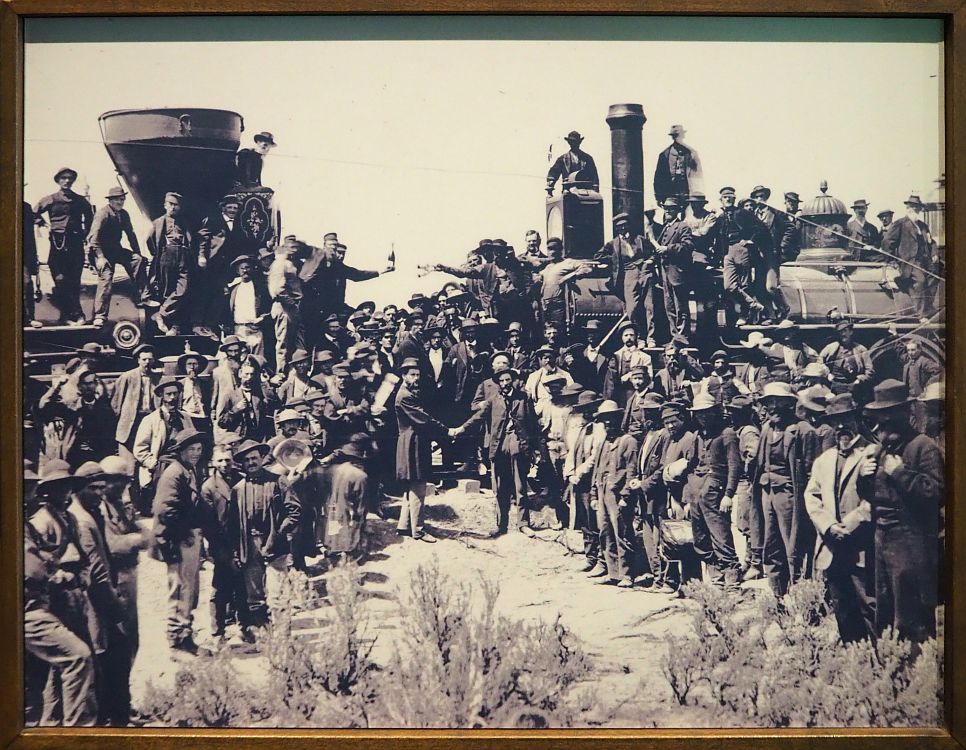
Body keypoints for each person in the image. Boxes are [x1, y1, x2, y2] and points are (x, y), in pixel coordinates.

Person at [860, 379, 943, 643]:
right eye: (880, 414)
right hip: (883, 538)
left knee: (912, 614)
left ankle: (918, 674)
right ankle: (891, 672)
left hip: (913, 541)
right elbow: (873, 496)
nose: (883, 420)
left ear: (904, 412)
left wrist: (900, 473)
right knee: (886, 609)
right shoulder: (882, 449)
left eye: (890, 412)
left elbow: (937, 493)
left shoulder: (923, 446)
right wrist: (863, 479)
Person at [803, 393, 876, 643]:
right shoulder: (824, 460)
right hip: (832, 546)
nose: (841, 426)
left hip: (862, 547)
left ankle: (879, 664)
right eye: (836, 421)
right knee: (842, 606)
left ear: (857, 419)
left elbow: (876, 497)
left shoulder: (871, 453)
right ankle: (852, 659)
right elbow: (811, 497)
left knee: (869, 606)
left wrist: (851, 524)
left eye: (846, 419)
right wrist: (829, 525)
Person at [24, 511, 97, 727]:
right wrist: (54, 573)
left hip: (45, 604)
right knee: (78, 657)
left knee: (48, 673)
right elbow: (33, 571)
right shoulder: (36, 522)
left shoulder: (31, 524)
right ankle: (76, 733)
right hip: (31, 609)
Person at [68, 462, 126, 724]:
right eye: (93, 488)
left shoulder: (93, 513)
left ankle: (113, 714)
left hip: (102, 600)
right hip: (95, 603)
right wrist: (115, 608)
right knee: (101, 659)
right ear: (78, 489)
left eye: (102, 488)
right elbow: (96, 573)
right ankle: (103, 719)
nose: (100, 493)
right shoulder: (81, 520)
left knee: (113, 657)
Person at [453, 366, 541, 537]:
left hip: (517, 442)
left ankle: (523, 523)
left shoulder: (523, 398)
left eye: (508, 380)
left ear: (513, 381)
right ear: (498, 383)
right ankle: (501, 525)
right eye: (501, 381)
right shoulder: (493, 399)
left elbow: (532, 425)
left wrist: (534, 449)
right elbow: (477, 417)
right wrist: (461, 428)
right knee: (500, 487)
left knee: (520, 485)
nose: (505, 383)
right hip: (498, 444)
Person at [228, 439, 299, 639]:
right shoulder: (238, 489)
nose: (251, 462)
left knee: (278, 595)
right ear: (242, 464)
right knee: (255, 597)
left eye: (254, 458)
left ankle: (284, 638)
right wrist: (237, 551)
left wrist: (279, 533)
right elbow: (233, 525)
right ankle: (267, 637)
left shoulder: (278, 481)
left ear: (262, 459)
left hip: (276, 545)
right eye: (247, 460)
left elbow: (294, 511)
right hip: (250, 545)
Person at [151, 428, 209, 654]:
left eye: (198, 449)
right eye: (191, 449)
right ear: (181, 451)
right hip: (177, 540)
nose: (196, 453)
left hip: (187, 538)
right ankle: (177, 641)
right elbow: (165, 509)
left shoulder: (188, 470)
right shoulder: (174, 473)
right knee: (179, 590)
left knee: (189, 590)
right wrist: (182, 536)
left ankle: (185, 634)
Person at [98, 454, 147, 724]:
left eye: (124, 481)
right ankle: (114, 708)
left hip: (129, 576)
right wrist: (139, 539)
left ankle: (121, 702)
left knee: (131, 641)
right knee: (119, 643)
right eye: (116, 481)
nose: (121, 486)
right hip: (116, 579)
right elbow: (114, 545)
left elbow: (132, 525)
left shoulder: (118, 504)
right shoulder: (101, 509)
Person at [751, 381, 812, 598]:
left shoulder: (803, 431)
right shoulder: (767, 428)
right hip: (767, 493)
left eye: (778, 402)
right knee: (771, 544)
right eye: (769, 402)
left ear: (789, 404)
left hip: (790, 495)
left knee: (793, 546)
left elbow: (810, 471)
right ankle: (777, 595)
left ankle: (801, 597)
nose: (773, 407)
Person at [684, 393, 742, 588]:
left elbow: (734, 466)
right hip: (696, 490)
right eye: (699, 414)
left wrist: (728, 495)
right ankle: (715, 576)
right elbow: (691, 465)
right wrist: (688, 496)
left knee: (721, 535)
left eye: (707, 413)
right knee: (700, 538)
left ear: (716, 412)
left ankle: (732, 576)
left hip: (715, 490)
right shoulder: (698, 435)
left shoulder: (727, 434)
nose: (703, 418)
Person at [589, 400, 643, 588]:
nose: (608, 424)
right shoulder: (604, 442)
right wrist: (594, 495)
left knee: (623, 533)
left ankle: (627, 573)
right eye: (604, 421)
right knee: (605, 532)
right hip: (603, 492)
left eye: (611, 420)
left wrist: (626, 496)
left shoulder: (628, 441)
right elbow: (597, 470)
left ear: (619, 419)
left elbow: (631, 471)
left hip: (617, 495)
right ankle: (613, 572)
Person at [394, 358, 448, 542]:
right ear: (404, 375)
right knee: (418, 485)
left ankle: (403, 525)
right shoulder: (405, 396)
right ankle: (418, 530)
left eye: (418, 374)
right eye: (412, 375)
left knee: (412, 485)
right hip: (413, 443)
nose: (416, 378)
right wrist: (447, 430)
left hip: (412, 441)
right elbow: (424, 419)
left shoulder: (408, 392)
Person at [33, 167, 94, 326]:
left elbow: (90, 218)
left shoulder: (80, 200)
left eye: (69, 178)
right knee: (60, 280)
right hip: (57, 245)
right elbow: (33, 213)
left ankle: (73, 316)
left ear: (73, 181)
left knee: (74, 282)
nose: (66, 181)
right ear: (58, 180)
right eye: (63, 178)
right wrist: (41, 222)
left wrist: (84, 234)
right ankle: (72, 314)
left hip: (75, 246)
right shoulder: (51, 199)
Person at [87, 186, 150, 328]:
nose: (120, 202)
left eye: (122, 199)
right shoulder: (102, 214)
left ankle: (143, 297)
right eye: (117, 199)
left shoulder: (124, 214)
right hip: (100, 250)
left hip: (115, 249)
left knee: (137, 260)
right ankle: (100, 315)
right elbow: (93, 238)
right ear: (110, 200)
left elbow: (131, 235)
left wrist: (137, 252)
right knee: (106, 276)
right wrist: (100, 257)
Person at [200, 444, 245, 641]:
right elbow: (208, 523)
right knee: (220, 587)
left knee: (243, 585)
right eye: (220, 460)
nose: (225, 464)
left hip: (242, 539)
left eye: (228, 459)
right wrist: (218, 547)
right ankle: (217, 631)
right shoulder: (209, 487)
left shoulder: (241, 479)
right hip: (221, 542)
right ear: (213, 463)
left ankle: (245, 626)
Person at [595, 214, 659, 343]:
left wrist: (650, 261)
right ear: (617, 229)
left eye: (625, 225)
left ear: (629, 226)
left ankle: (651, 338)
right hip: (628, 276)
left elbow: (654, 253)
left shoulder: (640, 239)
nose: (623, 228)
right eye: (620, 227)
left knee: (650, 306)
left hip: (645, 273)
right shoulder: (613, 244)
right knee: (632, 308)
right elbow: (597, 256)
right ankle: (639, 336)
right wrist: (613, 259)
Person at [194, 195, 249, 337]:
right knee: (205, 292)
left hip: (227, 267)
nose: (233, 210)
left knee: (223, 294)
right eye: (230, 207)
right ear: (223, 208)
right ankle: (198, 324)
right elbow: (203, 238)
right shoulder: (213, 220)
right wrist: (201, 256)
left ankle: (211, 325)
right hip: (212, 264)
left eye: (235, 208)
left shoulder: (238, 224)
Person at [132, 376, 197, 494]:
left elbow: (194, 441)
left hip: (183, 466)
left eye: (175, 394)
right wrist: (154, 464)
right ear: (162, 395)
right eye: (169, 394)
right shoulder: (150, 420)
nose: (172, 398)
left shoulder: (185, 418)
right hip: (161, 467)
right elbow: (140, 449)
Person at [881, 194, 940, 321]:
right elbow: (887, 242)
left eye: (917, 207)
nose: (915, 209)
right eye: (913, 207)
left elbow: (932, 242)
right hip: (909, 262)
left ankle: (928, 306)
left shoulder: (923, 226)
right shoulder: (900, 224)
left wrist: (934, 253)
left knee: (937, 274)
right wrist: (891, 261)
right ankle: (922, 314)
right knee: (920, 281)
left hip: (925, 261)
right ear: (908, 208)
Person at [146, 192, 193, 335]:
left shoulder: (184, 222)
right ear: (165, 205)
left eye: (176, 205)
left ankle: (161, 314)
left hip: (183, 256)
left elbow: (190, 240)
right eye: (170, 204)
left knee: (183, 289)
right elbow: (150, 240)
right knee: (167, 290)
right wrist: (160, 255)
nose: (173, 208)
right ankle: (174, 326)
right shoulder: (158, 222)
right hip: (166, 255)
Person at [111, 344, 160, 472]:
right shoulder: (127, 377)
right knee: (128, 466)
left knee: (148, 461)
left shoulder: (157, 378)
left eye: (150, 359)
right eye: (144, 359)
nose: (147, 362)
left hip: (148, 422)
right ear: (138, 360)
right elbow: (116, 402)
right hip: (131, 424)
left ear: (154, 360)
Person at [655, 196, 696, 340]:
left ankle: (683, 336)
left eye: (671, 209)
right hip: (665, 273)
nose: (667, 211)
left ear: (677, 211)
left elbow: (688, 246)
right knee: (669, 307)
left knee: (681, 307)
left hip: (677, 273)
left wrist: (667, 249)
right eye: (666, 208)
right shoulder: (665, 227)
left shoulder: (682, 226)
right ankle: (675, 336)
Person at [268, 237, 306, 378]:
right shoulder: (280, 264)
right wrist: (292, 303)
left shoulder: (293, 264)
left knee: (297, 341)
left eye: (296, 248)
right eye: (291, 247)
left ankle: (295, 373)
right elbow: (277, 289)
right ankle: (281, 373)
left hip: (294, 307)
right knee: (283, 342)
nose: (294, 250)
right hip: (284, 306)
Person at [224, 254, 272, 356]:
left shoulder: (261, 288)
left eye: (247, 267)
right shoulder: (233, 289)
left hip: (255, 330)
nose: (245, 271)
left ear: (252, 269)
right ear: (238, 271)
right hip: (238, 330)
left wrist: (262, 318)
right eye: (242, 268)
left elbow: (270, 308)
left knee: (256, 359)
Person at [818, 319, 874, 398]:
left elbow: (870, 370)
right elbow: (819, 361)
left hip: (855, 386)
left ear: (851, 332)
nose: (843, 334)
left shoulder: (861, 349)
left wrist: (860, 380)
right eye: (840, 332)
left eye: (845, 331)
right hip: (835, 386)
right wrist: (827, 374)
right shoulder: (831, 348)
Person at [653, 124, 703, 205]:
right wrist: (659, 196)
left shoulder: (691, 153)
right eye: (674, 136)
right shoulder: (665, 154)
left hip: (687, 192)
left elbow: (698, 176)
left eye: (678, 135)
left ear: (683, 136)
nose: (676, 138)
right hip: (671, 193)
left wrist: (697, 195)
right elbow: (659, 177)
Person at [546, 130, 599, 195]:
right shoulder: (562, 159)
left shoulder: (588, 159)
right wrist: (551, 183)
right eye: (572, 142)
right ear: (569, 142)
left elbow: (594, 176)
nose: (574, 144)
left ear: (580, 142)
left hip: (585, 193)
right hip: (568, 192)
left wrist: (596, 191)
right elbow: (553, 172)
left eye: (576, 142)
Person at [23, 198, 42, 328]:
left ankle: (29, 318)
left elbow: (30, 237)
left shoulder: (26, 208)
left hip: (22, 255)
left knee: (27, 282)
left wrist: (33, 260)